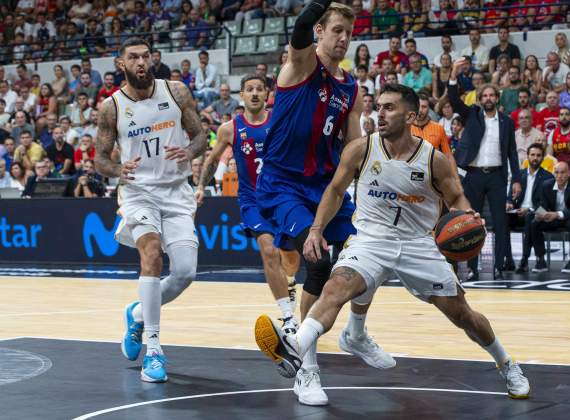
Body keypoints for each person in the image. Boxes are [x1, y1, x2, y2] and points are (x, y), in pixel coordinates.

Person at [254, 84, 531, 401]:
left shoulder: (434, 160)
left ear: (410, 115)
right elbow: (333, 190)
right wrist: (316, 228)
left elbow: (456, 197)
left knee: (462, 315)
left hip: (417, 243)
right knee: (335, 287)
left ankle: (506, 363)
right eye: (379, 107)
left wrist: (468, 217)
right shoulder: (361, 149)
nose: (380, 114)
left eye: (389, 108)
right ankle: (296, 347)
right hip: (371, 239)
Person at [254, 2, 393, 406]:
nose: (343, 39)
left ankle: (356, 332)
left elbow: (351, 145)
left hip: (325, 186)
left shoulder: (351, 88)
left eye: (349, 33)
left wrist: (373, 172)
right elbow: (298, 26)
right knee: (317, 262)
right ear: (319, 31)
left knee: (372, 251)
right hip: (283, 185)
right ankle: (307, 370)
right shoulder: (299, 65)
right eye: (336, 30)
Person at [94, 37, 207, 383]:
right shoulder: (111, 107)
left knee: (186, 272)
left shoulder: (176, 92)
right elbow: (99, 159)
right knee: (152, 253)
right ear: (121, 64)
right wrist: (117, 170)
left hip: (176, 192)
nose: (141, 62)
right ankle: (154, 350)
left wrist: (190, 152)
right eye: (134, 57)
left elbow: (202, 135)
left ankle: (139, 312)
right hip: (139, 193)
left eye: (145, 56)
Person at [195, 75, 301, 336]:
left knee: (290, 258)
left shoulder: (279, 120)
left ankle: (289, 281)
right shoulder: (230, 128)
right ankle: (288, 318)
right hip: (253, 200)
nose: (254, 94)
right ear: (241, 94)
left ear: (267, 94)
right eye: (249, 89)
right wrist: (200, 185)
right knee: (268, 250)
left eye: (259, 89)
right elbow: (211, 161)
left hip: (283, 196)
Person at [449, 57, 521, 281]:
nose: (488, 98)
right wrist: (453, 74)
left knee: (500, 222)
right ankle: (471, 267)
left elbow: (512, 153)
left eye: (492, 95)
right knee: (472, 224)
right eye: (485, 96)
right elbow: (454, 101)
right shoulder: (472, 114)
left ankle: (499, 266)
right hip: (474, 175)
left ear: (497, 98)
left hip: (497, 176)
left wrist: (517, 179)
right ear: (479, 100)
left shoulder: (507, 122)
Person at [505, 143, 554, 273]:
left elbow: (547, 205)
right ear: (527, 156)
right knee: (502, 219)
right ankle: (508, 259)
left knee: (530, 217)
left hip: (540, 212)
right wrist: (509, 203)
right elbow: (511, 197)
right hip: (518, 212)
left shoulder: (548, 177)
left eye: (538, 155)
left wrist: (530, 209)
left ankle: (524, 259)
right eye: (532, 155)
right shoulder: (518, 176)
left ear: (543, 158)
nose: (535, 158)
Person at [532, 161, 570, 273]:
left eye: (562, 172)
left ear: (568, 173)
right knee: (534, 223)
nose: (559, 176)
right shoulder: (546, 185)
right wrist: (541, 214)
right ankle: (540, 260)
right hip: (551, 218)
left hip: (569, 217)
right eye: (556, 172)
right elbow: (540, 205)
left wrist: (557, 214)